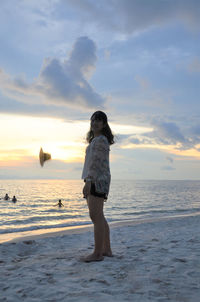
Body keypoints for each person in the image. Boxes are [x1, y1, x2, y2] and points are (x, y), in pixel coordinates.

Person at [82, 111, 114, 262]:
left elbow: (95, 162)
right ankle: (106, 250)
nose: (95, 123)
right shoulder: (96, 140)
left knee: (95, 215)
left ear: (104, 124)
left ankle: (97, 253)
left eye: (98, 121)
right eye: (93, 120)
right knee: (99, 216)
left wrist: (89, 180)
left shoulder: (101, 140)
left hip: (96, 180)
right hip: (96, 179)